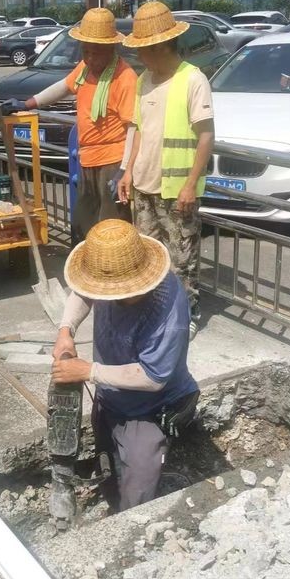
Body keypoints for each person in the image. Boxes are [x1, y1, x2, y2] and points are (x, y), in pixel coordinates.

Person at [52, 218, 200, 511]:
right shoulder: (106, 276)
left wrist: (88, 371)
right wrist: (65, 330)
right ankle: (112, 499)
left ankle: (132, 528)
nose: (106, 298)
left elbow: (152, 376)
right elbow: (83, 292)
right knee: (107, 459)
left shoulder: (167, 312)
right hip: (111, 395)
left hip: (150, 407)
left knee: (138, 487)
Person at [117, 2, 214, 336]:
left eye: (144, 50)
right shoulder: (145, 80)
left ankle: (186, 317)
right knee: (147, 257)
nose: (140, 57)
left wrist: (190, 185)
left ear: (160, 47)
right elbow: (140, 130)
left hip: (176, 191)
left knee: (182, 259)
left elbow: (206, 137)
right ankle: (154, 313)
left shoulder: (192, 80)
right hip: (144, 187)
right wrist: (129, 171)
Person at [22, 8, 137, 239]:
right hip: (88, 159)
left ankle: (109, 273)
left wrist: (125, 170)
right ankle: (84, 270)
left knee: (111, 228)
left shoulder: (125, 78)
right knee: (85, 223)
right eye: (86, 52)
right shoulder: (85, 69)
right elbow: (64, 87)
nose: (90, 58)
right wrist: (29, 103)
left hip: (112, 162)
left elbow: (132, 128)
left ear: (111, 49)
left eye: (96, 53)